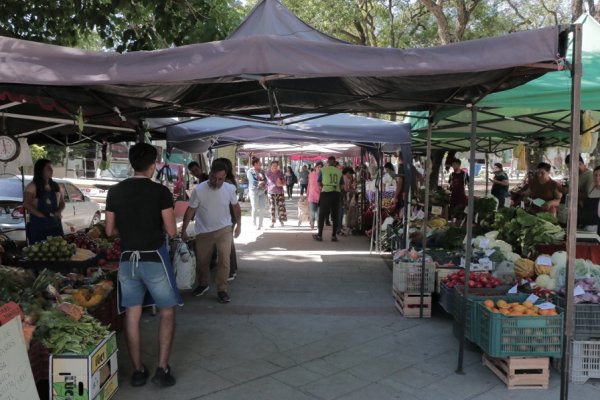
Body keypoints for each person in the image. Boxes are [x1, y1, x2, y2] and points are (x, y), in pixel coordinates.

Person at [105, 143, 181, 387]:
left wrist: (128, 232)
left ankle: (138, 371)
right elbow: (171, 230)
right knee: (167, 311)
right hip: (154, 259)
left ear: (131, 163)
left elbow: (109, 230)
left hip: (127, 260)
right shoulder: (160, 192)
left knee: (132, 314)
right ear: (153, 165)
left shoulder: (114, 191)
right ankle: (161, 369)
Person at [181, 160, 241, 303]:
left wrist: (239, 225)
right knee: (203, 261)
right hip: (203, 232)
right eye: (213, 178)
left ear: (225, 177)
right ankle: (203, 284)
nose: (216, 182)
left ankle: (222, 289)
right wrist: (183, 230)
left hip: (224, 230)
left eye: (220, 179)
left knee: (224, 261)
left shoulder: (229, 189)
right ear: (209, 175)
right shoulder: (199, 190)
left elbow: (236, 207)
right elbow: (191, 210)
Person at [24, 159, 65, 244]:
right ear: (40, 170)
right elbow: (26, 204)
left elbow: (62, 203)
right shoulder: (32, 186)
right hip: (38, 226)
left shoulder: (56, 186)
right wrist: (42, 216)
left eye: (51, 167)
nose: (51, 170)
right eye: (48, 167)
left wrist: (58, 211)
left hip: (55, 225)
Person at [313, 156, 343, 242]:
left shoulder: (323, 170)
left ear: (327, 162)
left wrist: (324, 187)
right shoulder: (339, 171)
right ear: (334, 162)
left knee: (322, 214)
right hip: (336, 194)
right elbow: (341, 185)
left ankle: (319, 235)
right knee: (335, 215)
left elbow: (319, 183)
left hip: (325, 193)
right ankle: (334, 236)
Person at [246, 157, 268, 230]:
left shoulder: (262, 171)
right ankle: (254, 223)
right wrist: (259, 182)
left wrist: (264, 183)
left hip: (262, 191)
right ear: (255, 164)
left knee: (262, 207)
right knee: (255, 207)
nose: (260, 165)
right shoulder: (250, 171)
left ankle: (260, 224)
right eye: (259, 163)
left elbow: (265, 180)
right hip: (254, 191)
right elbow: (252, 181)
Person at [266, 161, 287, 227]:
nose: (275, 167)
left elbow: (284, 182)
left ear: (277, 166)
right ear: (271, 166)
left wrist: (281, 184)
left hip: (279, 192)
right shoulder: (268, 173)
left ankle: (281, 221)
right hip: (271, 192)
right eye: (273, 165)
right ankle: (272, 222)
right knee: (272, 207)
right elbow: (265, 183)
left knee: (281, 207)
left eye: (276, 165)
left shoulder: (280, 173)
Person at [307, 161, 323, 230]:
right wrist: (307, 194)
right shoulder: (311, 174)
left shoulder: (323, 175)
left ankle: (319, 226)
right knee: (312, 212)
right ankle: (312, 222)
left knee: (319, 213)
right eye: (318, 167)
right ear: (315, 167)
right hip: (312, 195)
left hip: (321, 196)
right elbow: (309, 185)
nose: (319, 168)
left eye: (321, 167)